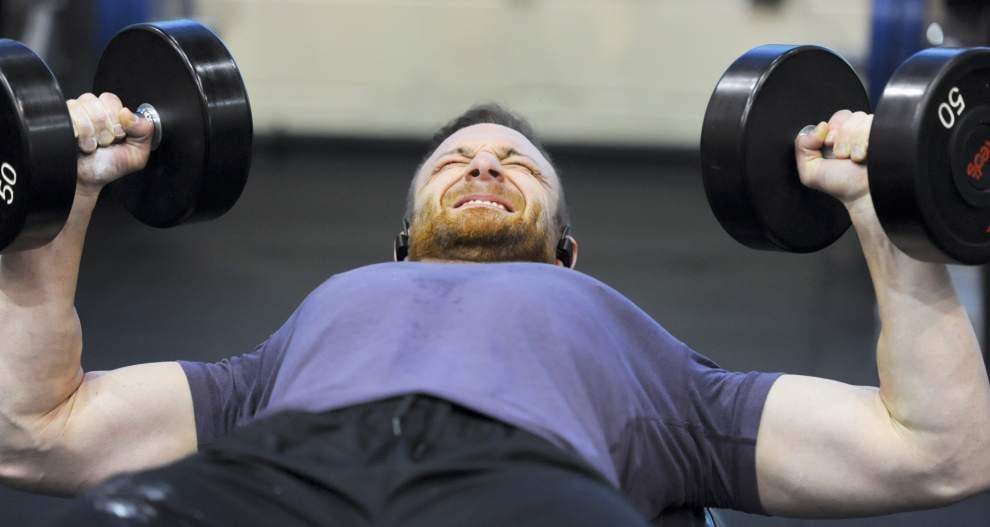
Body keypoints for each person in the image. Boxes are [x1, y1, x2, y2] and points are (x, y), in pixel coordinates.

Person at [0, 91, 987, 526]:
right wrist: (65, 196)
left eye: (518, 163)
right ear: (397, 249)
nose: (482, 162)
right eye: (454, 162)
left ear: (566, 255)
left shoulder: (650, 360)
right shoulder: (292, 347)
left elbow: (940, 451)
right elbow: (34, 432)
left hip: (522, 486)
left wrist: (886, 211)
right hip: (279, 475)